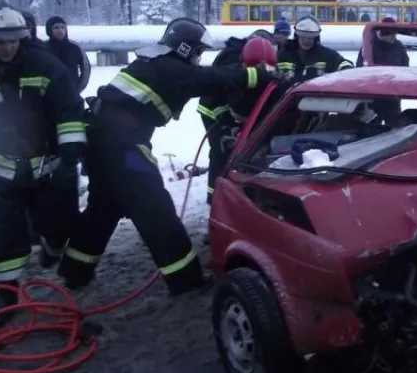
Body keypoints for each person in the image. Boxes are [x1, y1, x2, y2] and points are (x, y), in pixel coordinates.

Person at [56, 18, 277, 295]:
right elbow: (208, 79)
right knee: (156, 211)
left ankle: (75, 271)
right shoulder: (168, 67)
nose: (198, 59)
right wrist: (256, 75)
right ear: (186, 48)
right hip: (121, 146)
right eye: (197, 52)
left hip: (105, 142)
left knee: (104, 208)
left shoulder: (153, 62)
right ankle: (186, 279)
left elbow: (203, 79)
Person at [0, 2, 85, 325]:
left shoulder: (46, 67)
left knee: (59, 223)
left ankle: (53, 247)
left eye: (13, 40)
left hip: (47, 164)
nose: (7, 47)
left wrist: (70, 157)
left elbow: (68, 111)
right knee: (2, 234)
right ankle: (7, 291)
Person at [198, 29, 273, 204]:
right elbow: (216, 99)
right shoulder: (231, 68)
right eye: (257, 67)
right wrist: (226, 126)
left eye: (267, 67)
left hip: (235, 112)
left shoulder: (264, 62)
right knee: (220, 151)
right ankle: (214, 196)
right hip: (212, 109)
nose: (263, 71)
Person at [276, 16, 353, 80]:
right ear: (297, 36)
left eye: (310, 38)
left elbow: (344, 64)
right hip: (288, 96)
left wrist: (347, 69)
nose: (306, 41)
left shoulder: (325, 54)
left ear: (316, 38)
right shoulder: (283, 52)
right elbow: (269, 71)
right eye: (303, 37)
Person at [45, 16, 91, 92]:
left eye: (63, 27)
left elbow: (86, 69)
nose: (60, 31)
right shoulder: (43, 48)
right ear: (49, 30)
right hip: (48, 94)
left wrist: (78, 88)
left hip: (71, 93)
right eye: (56, 28)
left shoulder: (75, 47)